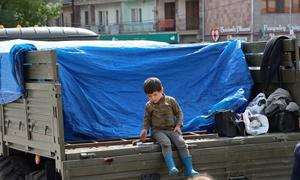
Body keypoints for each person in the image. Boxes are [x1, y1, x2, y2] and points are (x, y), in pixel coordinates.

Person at [140, 77, 199, 177]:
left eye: (155, 95)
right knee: (166, 143)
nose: (153, 98)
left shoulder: (170, 101)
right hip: (157, 131)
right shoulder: (148, 106)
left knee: (181, 143)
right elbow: (147, 119)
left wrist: (178, 125)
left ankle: (189, 169)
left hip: (172, 129)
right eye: (149, 96)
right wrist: (145, 130)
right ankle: (171, 167)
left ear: (161, 90)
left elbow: (179, 113)